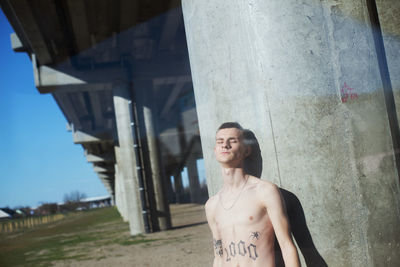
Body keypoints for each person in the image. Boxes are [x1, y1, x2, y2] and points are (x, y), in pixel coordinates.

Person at [205, 122, 300, 267]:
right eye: (220, 142)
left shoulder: (265, 191)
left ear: (246, 151)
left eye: (233, 141)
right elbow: (218, 256)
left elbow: (287, 246)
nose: (225, 145)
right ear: (215, 149)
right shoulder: (212, 205)